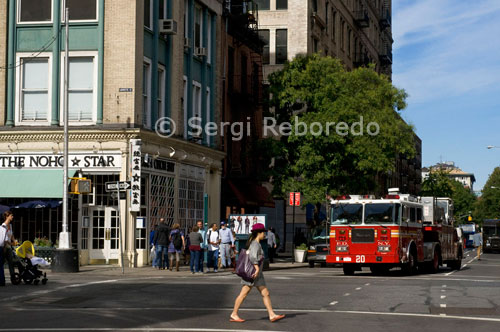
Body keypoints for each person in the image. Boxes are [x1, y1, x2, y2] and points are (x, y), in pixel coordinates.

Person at [230, 223, 285, 323]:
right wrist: (256, 268)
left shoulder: (255, 242)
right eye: (263, 232)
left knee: (266, 293)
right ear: (259, 233)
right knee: (243, 294)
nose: (265, 234)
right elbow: (252, 257)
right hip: (253, 273)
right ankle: (234, 313)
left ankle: (272, 314)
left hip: (257, 274)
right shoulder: (255, 243)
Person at [2, 211, 16, 282]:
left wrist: (14, 241)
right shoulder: (3, 226)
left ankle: (13, 277)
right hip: (4, 246)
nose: (12, 217)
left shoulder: (10, 225)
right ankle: (2, 279)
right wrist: (10, 244)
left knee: (11, 262)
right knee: (2, 263)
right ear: (7, 216)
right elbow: (4, 238)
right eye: (11, 215)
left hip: (9, 246)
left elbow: (11, 235)